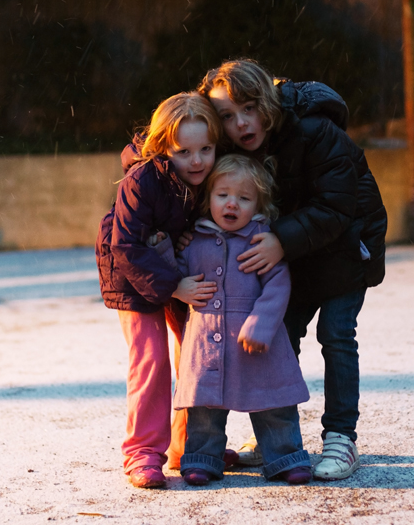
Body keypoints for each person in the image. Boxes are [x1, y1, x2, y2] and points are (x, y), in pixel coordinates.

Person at [197, 59, 388, 481]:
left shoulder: (317, 131)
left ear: (267, 99)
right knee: (279, 338)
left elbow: (338, 205)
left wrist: (281, 238)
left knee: (336, 336)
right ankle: (276, 436)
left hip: (344, 248)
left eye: (248, 108)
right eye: (227, 116)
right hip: (294, 256)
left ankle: (341, 437)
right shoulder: (233, 148)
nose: (241, 123)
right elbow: (177, 139)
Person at [96, 91, 221, 489]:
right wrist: (173, 285)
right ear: (163, 146)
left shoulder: (209, 177)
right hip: (132, 274)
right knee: (151, 360)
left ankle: (190, 446)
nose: (197, 160)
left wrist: (185, 240)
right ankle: (143, 451)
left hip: (177, 268)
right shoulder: (142, 179)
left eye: (206, 148)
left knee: (196, 355)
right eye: (185, 151)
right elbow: (126, 244)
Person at [169, 154, 312, 486]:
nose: (232, 204)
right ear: (208, 199)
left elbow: (278, 284)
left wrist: (262, 323)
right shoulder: (193, 241)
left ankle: (286, 457)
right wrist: (177, 284)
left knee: (273, 403)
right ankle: (203, 458)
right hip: (206, 344)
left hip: (258, 344)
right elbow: (172, 269)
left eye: (244, 198)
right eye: (223, 195)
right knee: (204, 409)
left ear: (259, 204)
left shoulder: (262, 241)